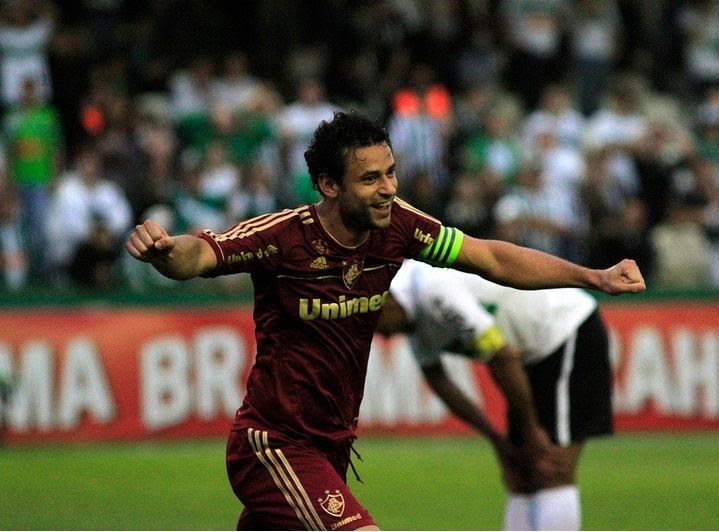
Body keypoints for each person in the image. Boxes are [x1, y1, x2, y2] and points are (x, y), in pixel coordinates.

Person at [126, 110, 645, 530]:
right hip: (275, 444)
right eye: (369, 178)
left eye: (390, 172)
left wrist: (591, 276)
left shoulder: (399, 227)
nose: (387, 188)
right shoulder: (283, 237)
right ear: (328, 184)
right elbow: (199, 256)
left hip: (332, 444)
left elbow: (492, 259)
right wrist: (164, 251)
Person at [377, 259, 613, 530]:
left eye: (379, 325)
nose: (383, 336)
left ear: (389, 302)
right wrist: (498, 440)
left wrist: (531, 429)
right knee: (521, 473)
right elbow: (438, 379)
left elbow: (500, 356)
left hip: (566, 328)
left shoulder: (433, 290)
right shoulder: (410, 313)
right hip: (530, 355)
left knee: (552, 468)